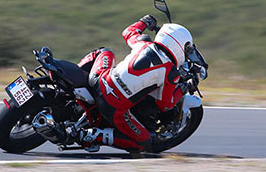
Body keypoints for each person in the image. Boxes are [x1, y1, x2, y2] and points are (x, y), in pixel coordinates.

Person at [72, 14, 198, 152]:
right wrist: (185, 87)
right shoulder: (171, 72)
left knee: (105, 52)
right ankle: (95, 136)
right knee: (143, 142)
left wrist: (144, 22)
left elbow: (128, 32)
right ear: (177, 45)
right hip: (114, 107)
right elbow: (165, 104)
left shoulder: (143, 44)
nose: (186, 53)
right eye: (186, 48)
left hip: (99, 81)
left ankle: (74, 78)